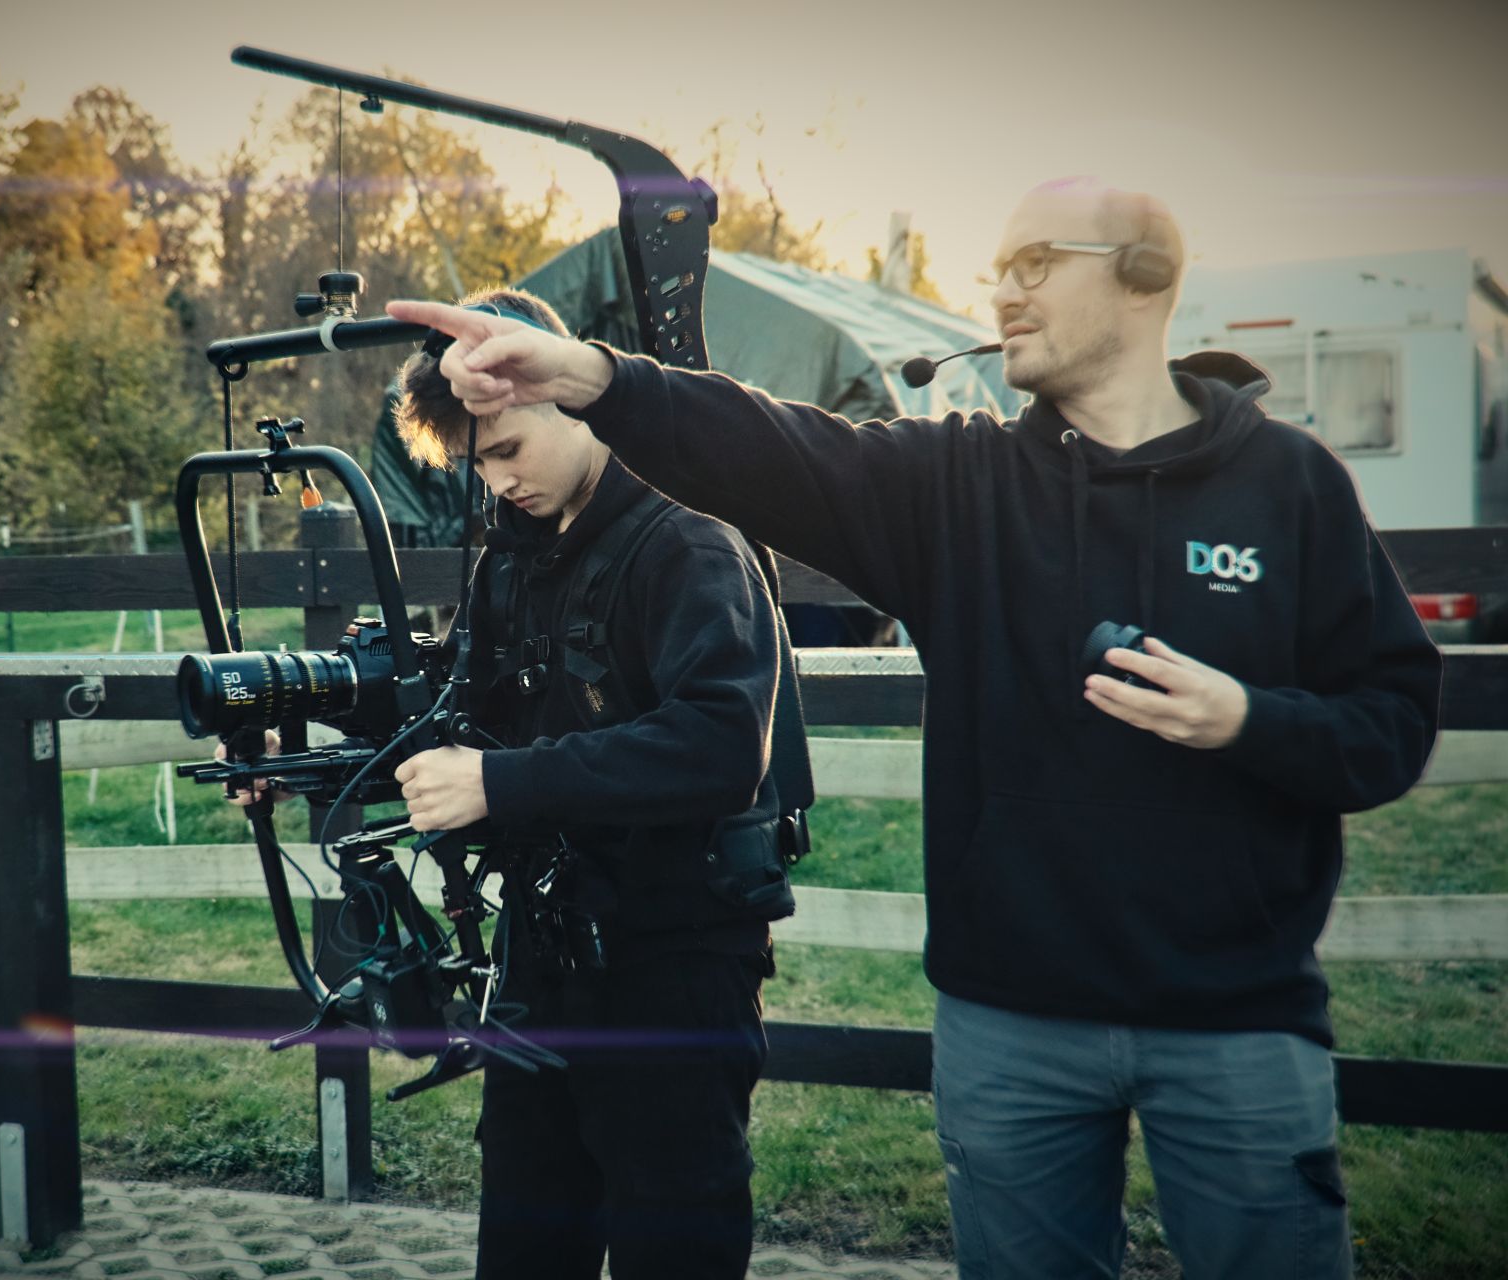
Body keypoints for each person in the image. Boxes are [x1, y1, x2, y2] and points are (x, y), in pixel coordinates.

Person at [387, 179, 1443, 1280]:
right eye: (999, 268)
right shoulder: (963, 485)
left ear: (1147, 276)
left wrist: (1247, 719)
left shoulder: (1290, 485)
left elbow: (1394, 722)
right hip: (1012, 1028)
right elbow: (775, 451)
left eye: (1038, 262)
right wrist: (590, 378)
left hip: (1238, 1023)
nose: (1005, 291)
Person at [233, 287, 802, 1280]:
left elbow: (718, 744)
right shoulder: (517, 552)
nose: (498, 481)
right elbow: (465, 712)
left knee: (675, 1232)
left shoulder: (689, 539)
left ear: (566, 394)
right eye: (478, 465)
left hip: (674, 958)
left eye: (506, 450)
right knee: (527, 1237)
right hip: (542, 955)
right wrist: (305, 749)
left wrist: (501, 781)